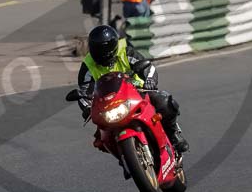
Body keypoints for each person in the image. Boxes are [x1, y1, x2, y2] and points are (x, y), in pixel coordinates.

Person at [77, 25, 188, 155]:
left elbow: (148, 67)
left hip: (138, 92)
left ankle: (174, 133)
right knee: (101, 139)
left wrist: (150, 80)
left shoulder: (126, 52)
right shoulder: (88, 65)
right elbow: (84, 90)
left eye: (104, 50)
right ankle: (124, 157)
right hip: (109, 104)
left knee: (164, 101)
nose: (101, 53)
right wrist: (86, 107)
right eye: (97, 49)